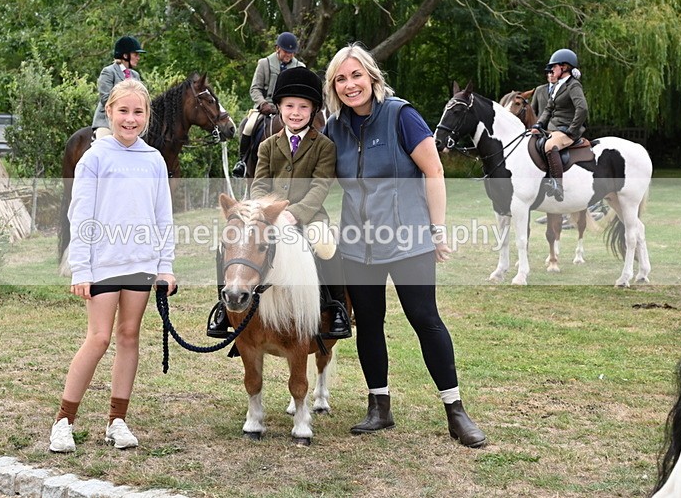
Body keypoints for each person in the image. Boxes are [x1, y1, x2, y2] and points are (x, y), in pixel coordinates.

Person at [322, 43, 486, 447]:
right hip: (358, 246)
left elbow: (434, 170)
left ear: (372, 77)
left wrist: (438, 229)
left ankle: (455, 410)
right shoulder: (334, 127)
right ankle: (379, 406)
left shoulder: (402, 115)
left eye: (356, 75)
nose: (349, 85)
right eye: (340, 79)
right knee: (369, 323)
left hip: (409, 239)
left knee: (425, 319)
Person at [50, 79, 177, 453]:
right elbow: (81, 213)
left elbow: (163, 217)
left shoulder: (153, 160)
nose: (130, 119)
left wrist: (165, 265)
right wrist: (81, 269)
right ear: (109, 112)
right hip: (103, 263)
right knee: (99, 338)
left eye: (138, 112)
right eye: (123, 111)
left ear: (147, 116)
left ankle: (117, 421)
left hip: (140, 263)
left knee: (129, 336)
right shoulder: (95, 157)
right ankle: (63, 421)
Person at [207, 67, 351, 340]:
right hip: (267, 216)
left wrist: (294, 214)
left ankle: (337, 307)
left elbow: (320, 186)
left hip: (309, 216)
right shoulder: (267, 145)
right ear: (280, 109)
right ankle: (224, 309)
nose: (295, 112)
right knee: (224, 244)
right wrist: (263, 211)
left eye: (303, 107)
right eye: (289, 106)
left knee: (325, 244)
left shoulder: (324, 146)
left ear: (313, 110)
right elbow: (259, 184)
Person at [232, 32, 306, 178]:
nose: (289, 56)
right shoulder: (264, 63)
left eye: (292, 53)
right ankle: (242, 162)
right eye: (286, 52)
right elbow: (255, 88)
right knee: (248, 126)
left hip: (290, 108)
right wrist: (263, 103)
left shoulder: (300, 67)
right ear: (277, 48)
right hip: (266, 107)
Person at [530, 48, 588, 202]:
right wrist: (538, 125)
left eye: (554, 66)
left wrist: (572, 130)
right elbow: (548, 109)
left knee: (550, 146)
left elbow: (582, 109)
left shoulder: (573, 85)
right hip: (551, 129)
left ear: (564, 67)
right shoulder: (557, 86)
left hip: (565, 130)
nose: (551, 70)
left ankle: (557, 185)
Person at [92, 36, 146, 140]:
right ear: (125, 55)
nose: (138, 57)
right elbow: (105, 99)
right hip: (107, 122)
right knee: (104, 144)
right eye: (135, 54)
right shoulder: (108, 72)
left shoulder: (135, 75)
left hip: (131, 121)